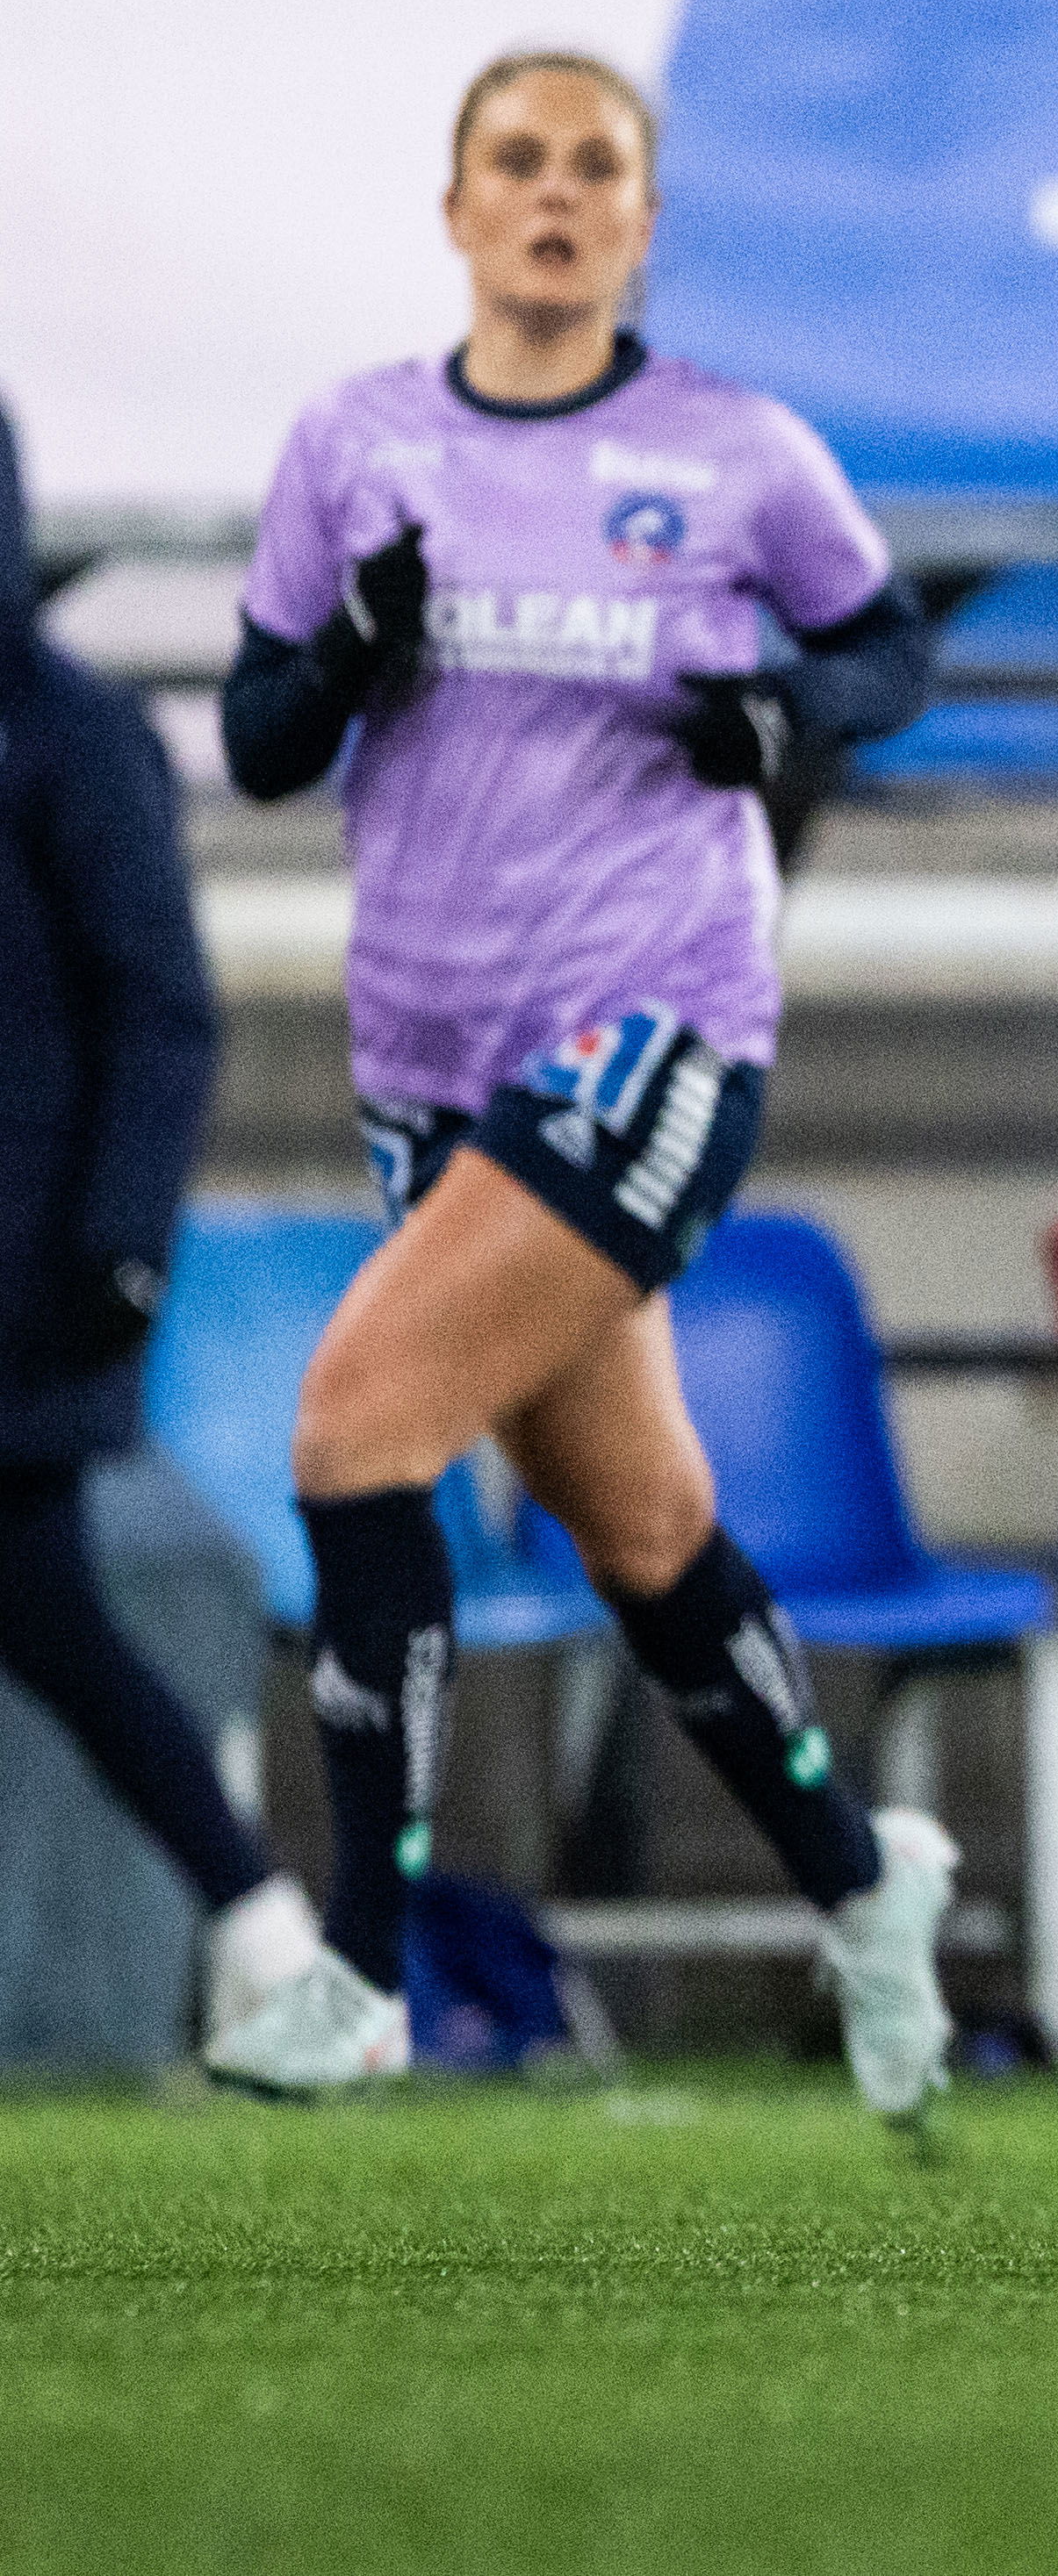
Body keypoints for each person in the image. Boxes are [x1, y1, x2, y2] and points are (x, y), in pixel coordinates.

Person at [205, 51, 957, 2108]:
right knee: (640, 1524)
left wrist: (782, 715)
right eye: (517, 161)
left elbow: (885, 649)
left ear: (642, 220)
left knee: (357, 1425)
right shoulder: (356, 442)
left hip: (656, 1012)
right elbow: (260, 742)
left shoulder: (732, 449)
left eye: (594, 166)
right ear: (457, 207)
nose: (553, 195)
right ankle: (862, 1880)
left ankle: (362, 1967)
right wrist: (347, 649)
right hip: (424, 1049)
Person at [0, 401, 355, 2061]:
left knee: (55, 1617)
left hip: (28, 1282)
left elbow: (159, 1011)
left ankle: (271, 1936)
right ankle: (270, 1934)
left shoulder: (69, 739)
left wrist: (120, 1242)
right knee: (53, 1623)